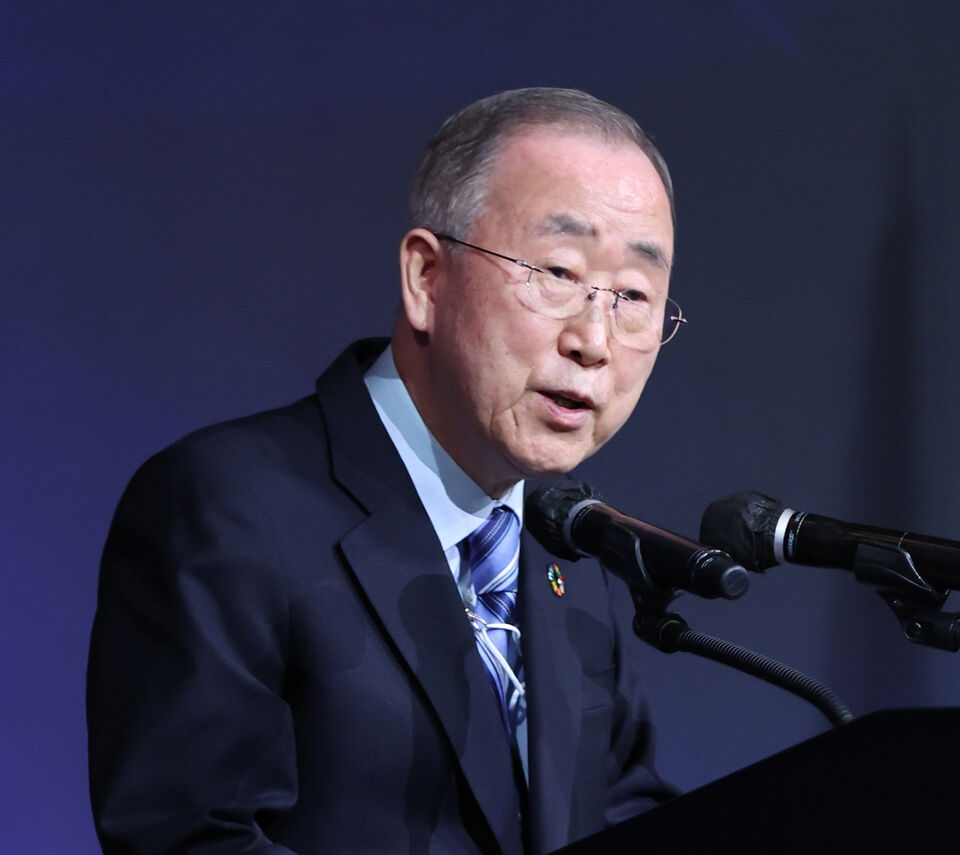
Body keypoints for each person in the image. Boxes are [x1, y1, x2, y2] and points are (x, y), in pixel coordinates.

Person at [87, 87, 683, 854]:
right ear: (426, 278)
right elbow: (188, 837)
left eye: (633, 295)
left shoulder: (570, 561)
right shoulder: (227, 506)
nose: (594, 340)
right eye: (559, 272)